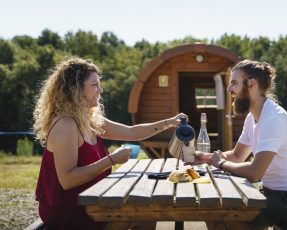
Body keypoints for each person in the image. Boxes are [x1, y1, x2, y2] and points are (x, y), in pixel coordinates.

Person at [33, 57, 185, 229]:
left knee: (147, 212)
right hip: (69, 210)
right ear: (75, 89)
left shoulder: (89, 119)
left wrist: (169, 123)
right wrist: (111, 160)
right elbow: (68, 180)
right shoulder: (65, 125)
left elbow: (131, 132)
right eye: (94, 85)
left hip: (93, 201)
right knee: (145, 214)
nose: (100, 90)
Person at [188, 60, 287, 229]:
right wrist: (206, 158)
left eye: (234, 83)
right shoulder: (252, 117)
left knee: (228, 220)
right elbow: (238, 156)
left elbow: (255, 173)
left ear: (252, 84)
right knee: (219, 212)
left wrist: (222, 163)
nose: (229, 89)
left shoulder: (273, 118)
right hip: (271, 193)